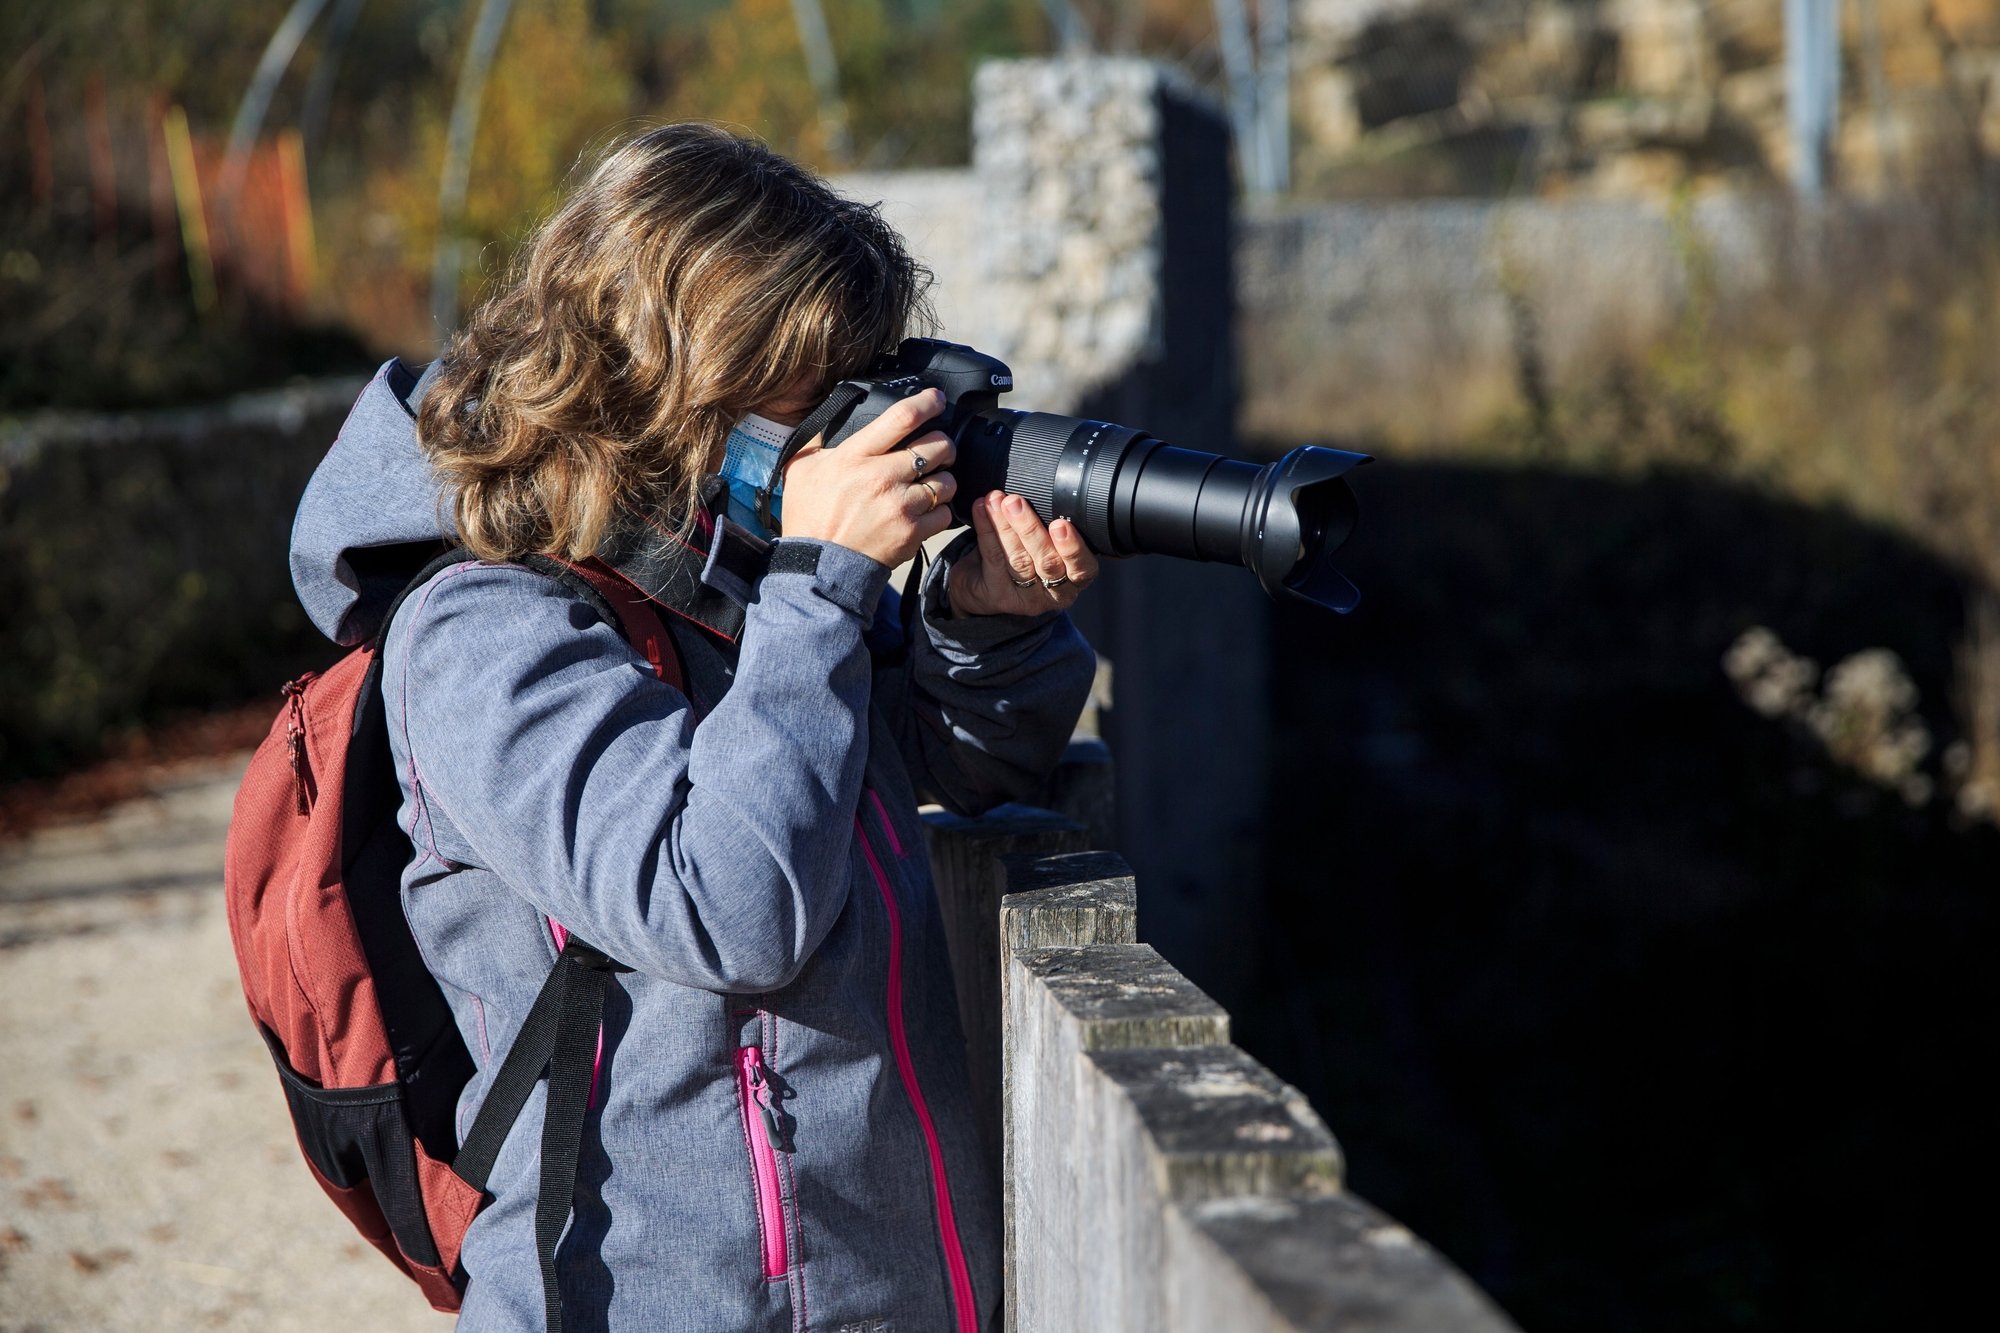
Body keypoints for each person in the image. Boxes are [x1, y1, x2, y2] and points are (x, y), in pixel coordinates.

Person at [287, 124, 1097, 1331]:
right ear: (669, 379)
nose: (843, 421)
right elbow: (730, 908)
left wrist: (987, 624)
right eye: (809, 383)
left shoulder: (742, 593)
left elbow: (972, 777)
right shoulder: (479, 633)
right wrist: (823, 581)